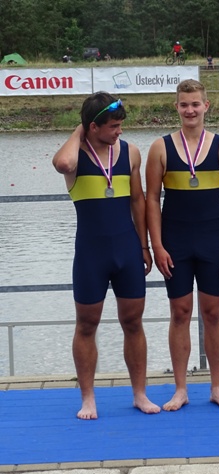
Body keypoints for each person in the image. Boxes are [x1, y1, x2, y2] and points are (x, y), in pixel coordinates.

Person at [52, 93, 160, 420]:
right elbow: (62, 164)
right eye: (113, 126)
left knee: (133, 322)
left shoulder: (130, 153)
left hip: (127, 250)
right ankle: (88, 398)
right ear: (93, 127)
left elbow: (138, 200)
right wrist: (79, 130)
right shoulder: (75, 158)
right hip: (91, 254)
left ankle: (139, 393)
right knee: (87, 325)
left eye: (120, 125)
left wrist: (144, 246)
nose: (119, 131)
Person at [146, 79, 219, 411]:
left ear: (206, 106)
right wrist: (156, 246)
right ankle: (180, 389)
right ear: (176, 107)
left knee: (213, 313)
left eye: (195, 104)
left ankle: (216, 387)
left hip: (212, 241)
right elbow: (151, 200)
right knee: (180, 313)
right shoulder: (160, 148)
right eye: (184, 104)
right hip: (175, 242)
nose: (190, 110)